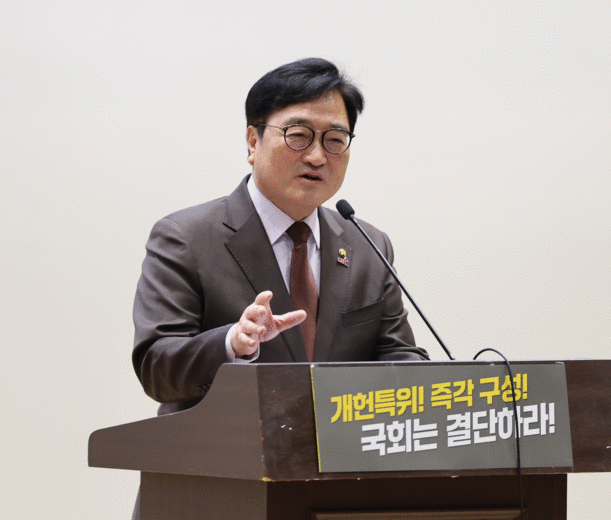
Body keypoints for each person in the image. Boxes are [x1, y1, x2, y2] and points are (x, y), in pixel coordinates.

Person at [132, 58, 429, 417]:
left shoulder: (368, 245)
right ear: (253, 141)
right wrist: (233, 344)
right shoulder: (186, 238)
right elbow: (156, 368)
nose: (317, 156)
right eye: (298, 136)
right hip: (226, 448)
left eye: (335, 140)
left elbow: (398, 356)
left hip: (340, 450)